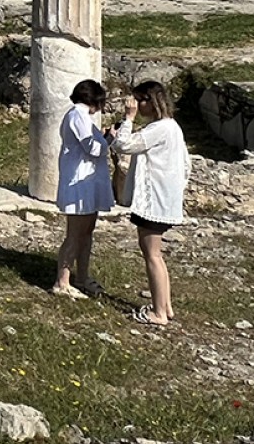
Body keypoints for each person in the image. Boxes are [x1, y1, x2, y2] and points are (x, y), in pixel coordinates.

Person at [108, 80, 189, 326]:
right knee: (156, 254)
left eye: (138, 100)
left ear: (149, 102)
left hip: (154, 200)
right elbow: (186, 164)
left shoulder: (160, 128)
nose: (135, 105)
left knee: (152, 254)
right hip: (163, 198)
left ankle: (158, 313)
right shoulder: (171, 127)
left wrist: (127, 119)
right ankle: (166, 306)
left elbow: (125, 145)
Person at [53, 79, 114, 298]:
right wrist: (109, 142)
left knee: (87, 232)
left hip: (89, 183)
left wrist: (105, 139)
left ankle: (81, 276)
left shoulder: (82, 117)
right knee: (75, 234)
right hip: (79, 183)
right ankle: (62, 281)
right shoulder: (77, 115)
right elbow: (91, 148)